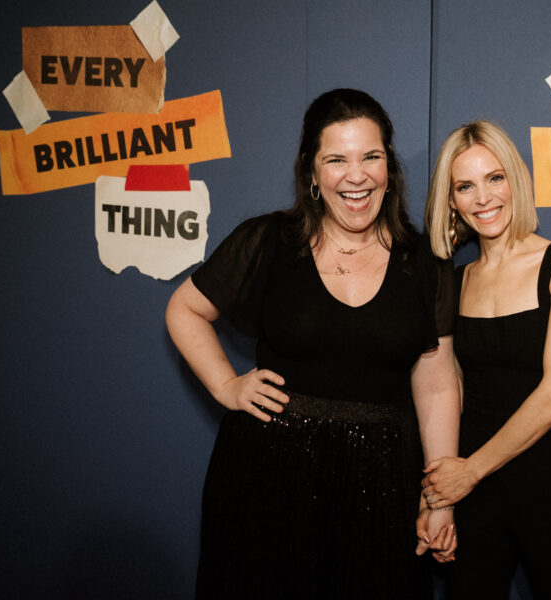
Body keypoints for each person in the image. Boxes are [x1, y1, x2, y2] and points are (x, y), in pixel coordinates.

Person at [166, 89, 459, 599]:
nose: (356, 176)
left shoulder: (425, 264)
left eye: (371, 157)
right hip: (268, 477)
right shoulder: (269, 241)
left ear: (389, 166)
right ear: (311, 171)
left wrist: (440, 499)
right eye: (336, 160)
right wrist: (226, 385)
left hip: (380, 484)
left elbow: (436, 384)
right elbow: (184, 309)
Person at [421, 120, 551, 598]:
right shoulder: (454, 282)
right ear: (451, 201)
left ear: (516, 181)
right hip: (474, 498)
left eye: (495, 178)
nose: (483, 198)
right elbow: (449, 393)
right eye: (465, 186)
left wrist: (470, 472)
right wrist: (440, 499)